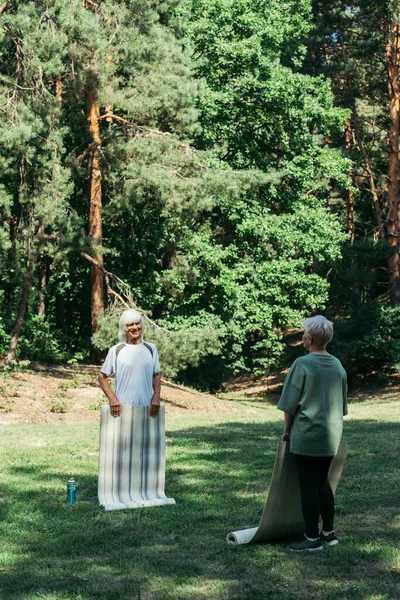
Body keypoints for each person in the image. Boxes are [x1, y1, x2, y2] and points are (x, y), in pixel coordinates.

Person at [277, 315, 348, 552]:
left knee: (308, 485)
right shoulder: (338, 365)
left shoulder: (302, 363)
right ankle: (329, 532)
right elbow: (342, 405)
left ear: (309, 338)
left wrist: (287, 431)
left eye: (303, 332)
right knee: (322, 482)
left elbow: (289, 404)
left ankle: (311, 538)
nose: (302, 336)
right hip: (331, 435)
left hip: (307, 433)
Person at [98, 309, 161, 418]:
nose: (135, 327)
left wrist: (156, 397)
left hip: (147, 408)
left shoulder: (151, 349)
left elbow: (156, 375)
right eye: (130, 325)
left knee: (145, 436)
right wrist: (112, 398)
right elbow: (101, 376)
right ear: (124, 328)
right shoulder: (116, 350)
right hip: (121, 410)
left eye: (137, 323)